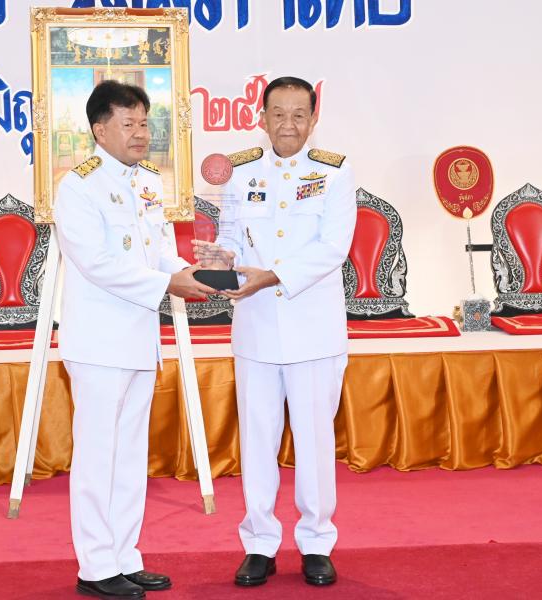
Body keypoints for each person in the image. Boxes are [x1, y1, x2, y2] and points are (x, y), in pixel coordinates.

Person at [54, 80, 215, 599]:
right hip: (99, 343)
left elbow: (158, 251)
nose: (141, 133)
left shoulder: (148, 181)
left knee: (128, 457)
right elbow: (97, 263)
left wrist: (192, 273)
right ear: (100, 130)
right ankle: (95, 566)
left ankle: (124, 556)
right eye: (129, 124)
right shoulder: (77, 187)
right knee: (98, 457)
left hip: (140, 338)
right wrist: (167, 285)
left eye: (145, 122)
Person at [194, 76, 356, 587]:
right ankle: (259, 544)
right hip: (257, 326)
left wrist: (273, 276)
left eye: (299, 114)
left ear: (314, 118)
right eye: (278, 114)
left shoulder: (335, 172)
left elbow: (334, 247)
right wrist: (219, 259)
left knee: (315, 442)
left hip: (313, 328)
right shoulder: (239, 171)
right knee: (257, 439)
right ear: (261, 118)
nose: (288, 124)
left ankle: (317, 542)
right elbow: (229, 234)